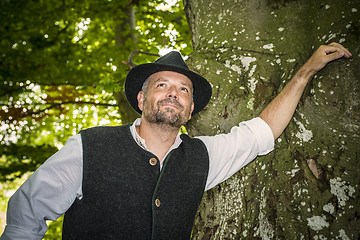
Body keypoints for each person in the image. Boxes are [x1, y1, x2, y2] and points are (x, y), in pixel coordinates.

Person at [0, 43, 351, 240]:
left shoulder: (204, 157)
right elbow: (24, 218)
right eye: (162, 85)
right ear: (141, 99)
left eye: (183, 89)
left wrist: (307, 71)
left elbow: (262, 130)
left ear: (191, 107)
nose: (174, 93)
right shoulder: (90, 147)